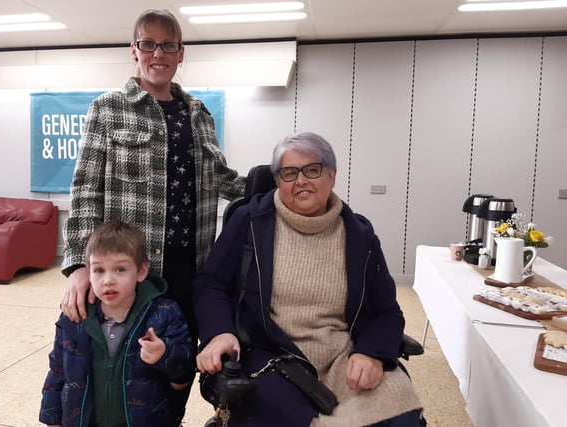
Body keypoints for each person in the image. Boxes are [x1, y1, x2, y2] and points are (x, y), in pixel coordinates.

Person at [60, 9, 244, 425]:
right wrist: (77, 266)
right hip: (131, 275)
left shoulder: (198, 114)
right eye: (148, 43)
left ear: (182, 54)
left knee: (175, 368)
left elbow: (221, 178)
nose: (157, 53)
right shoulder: (107, 110)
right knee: (126, 371)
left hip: (188, 270)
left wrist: (278, 183)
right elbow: (85, 189)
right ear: (134, 50)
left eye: (168, 45)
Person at [194, 131, 424, 426]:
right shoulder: (250, 222)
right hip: (271, 354)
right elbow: (211, 284)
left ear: (332, 175)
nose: (301, 180)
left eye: (312, 169)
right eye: (289, 173)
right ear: (278, 180)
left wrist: (373, 353)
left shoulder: (359, 235)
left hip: (346, 353)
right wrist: (220, 332)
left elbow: (385, 310)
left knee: (400, 416)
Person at [40, 221, 196, 427]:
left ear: (141, 271)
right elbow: (58, 372)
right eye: (99, 270)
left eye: (120, 269)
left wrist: (164, 354)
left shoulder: (163, 314)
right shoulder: (75, 318)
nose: (108, 280)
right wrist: (51, 419)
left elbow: (184, 372)